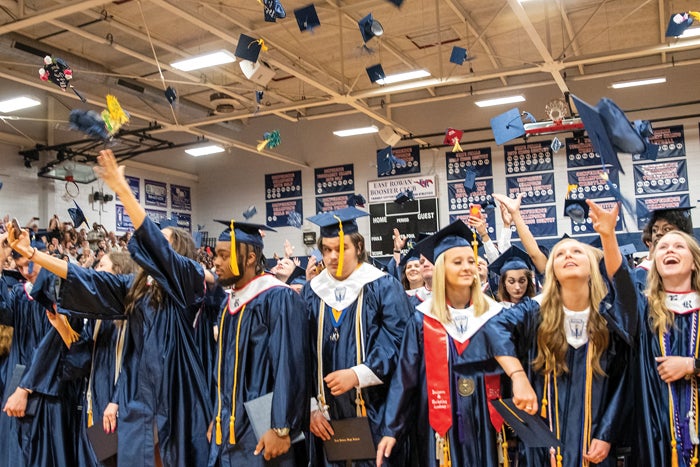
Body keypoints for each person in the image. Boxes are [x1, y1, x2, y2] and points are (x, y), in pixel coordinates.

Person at [8, 149, 212, 467]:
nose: (155, 242)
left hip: (177, 401)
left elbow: (157, 250)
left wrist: (121, 188)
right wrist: (32, 254)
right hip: (138, 404)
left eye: (164, 240)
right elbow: (84, 277)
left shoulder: (188, 284)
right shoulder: (135, 291)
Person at [488, 193, 636, 467]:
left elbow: (622, 381)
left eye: (577, 251)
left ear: (592, 267)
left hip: (595, 440)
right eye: (560, 254)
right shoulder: (534, 313)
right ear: (551, 271)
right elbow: (495, 327)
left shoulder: (608, 317)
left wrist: (606, 434)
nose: (568, 255)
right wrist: (518, 377)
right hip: (544, 439)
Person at [376, 220, 506, 466]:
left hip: (485, 421)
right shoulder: (423, 318)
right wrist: (391, 428)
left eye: (471, 260)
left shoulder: (493, 315)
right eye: (457, 262)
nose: (468, 267)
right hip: (438, 425)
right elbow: (405, 377)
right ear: (441, 269)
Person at [303, 207, 412, 466]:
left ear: (359, 247)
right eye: (326, 250)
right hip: (324, 417)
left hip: (374, 411)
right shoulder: (311, 292)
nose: (331, 257)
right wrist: (309, 407)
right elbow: (299, 353)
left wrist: (358, 374)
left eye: (341, 249)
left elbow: (400, 342)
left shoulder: (383, 286)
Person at [206, 220, 309, 466]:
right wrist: (218, 414)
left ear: (251, 257)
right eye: (216, 256)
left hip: (264, 430)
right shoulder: (229, 304)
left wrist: (282, 427)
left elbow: (290, 365)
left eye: (224, 255)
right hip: (229, 425)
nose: (216, 263)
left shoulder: (278, 298)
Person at [38, 251, 137, 467]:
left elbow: (134, 362)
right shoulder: (98, 317)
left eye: (102, 266)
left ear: (118, 273)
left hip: (119, 406)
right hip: (95, 404)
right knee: (94, 460)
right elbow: (83, 358)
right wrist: (60, 326)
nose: (95, 271)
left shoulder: (133, 317)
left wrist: (116, 401)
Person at [0, 235, 79, 467]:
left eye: (30, 263)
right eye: (20, 266)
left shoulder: (62, 291)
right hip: (20, 380)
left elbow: (55, 345)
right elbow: (2, 313)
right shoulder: (18, 294)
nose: (26, 271)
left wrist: (26, 388)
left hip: (50, 387)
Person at [629, 230, 700, 466]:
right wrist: (608, 236)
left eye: (679, 246)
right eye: (662, 247)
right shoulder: (643, 311)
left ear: (694, 262)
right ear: (654, 264)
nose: (670, 249)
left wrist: (692, 365)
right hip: (658, 431)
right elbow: (618, 283)